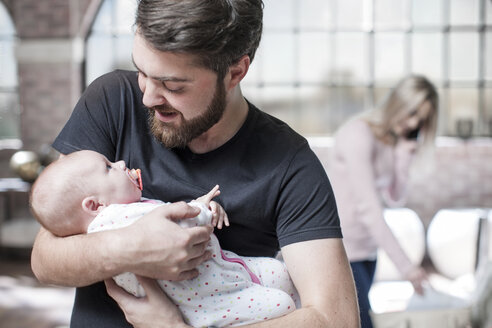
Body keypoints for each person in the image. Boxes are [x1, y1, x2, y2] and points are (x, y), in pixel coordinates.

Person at [30, 1, 359, 327]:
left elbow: (336, 319)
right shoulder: (112, 100)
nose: (147, 97)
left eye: (172, 86)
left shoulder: (290, 164)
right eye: (143, 73)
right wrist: (130, 247)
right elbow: (45, 260)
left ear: (235, 72)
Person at [30, 149, 299, 327]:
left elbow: (165, 217)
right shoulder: (110, 222)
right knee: (282, 304)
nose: (121, 163)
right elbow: (175, 229)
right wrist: (202, 211)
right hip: (207, 301)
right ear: (94, 206)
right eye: (109, 168)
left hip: (222, 271)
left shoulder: (127, 211)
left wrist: (198, 205)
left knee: (280, 274)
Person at [330, 74, 439, 328]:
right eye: (411, 113)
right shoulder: (358, 134)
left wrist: (403, 157)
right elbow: (370, 210)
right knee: (360, 322)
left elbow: (395, 198)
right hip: (343, 249)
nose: (413, 123)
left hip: (368, 250)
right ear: (397, 103)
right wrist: (407, 268)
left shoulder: (391, 141)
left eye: (421, 120)